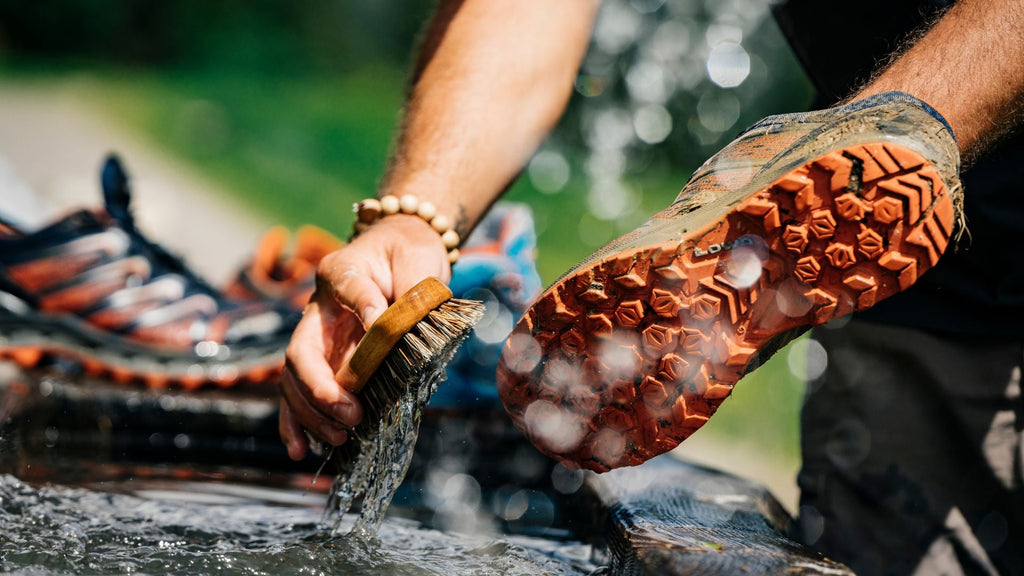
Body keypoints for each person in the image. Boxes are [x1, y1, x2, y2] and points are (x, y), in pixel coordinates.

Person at [278, 0, 1024, 573]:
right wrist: (415, 215)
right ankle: (849, 170)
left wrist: (905, 118)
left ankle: (859, 156)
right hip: (933, 298)